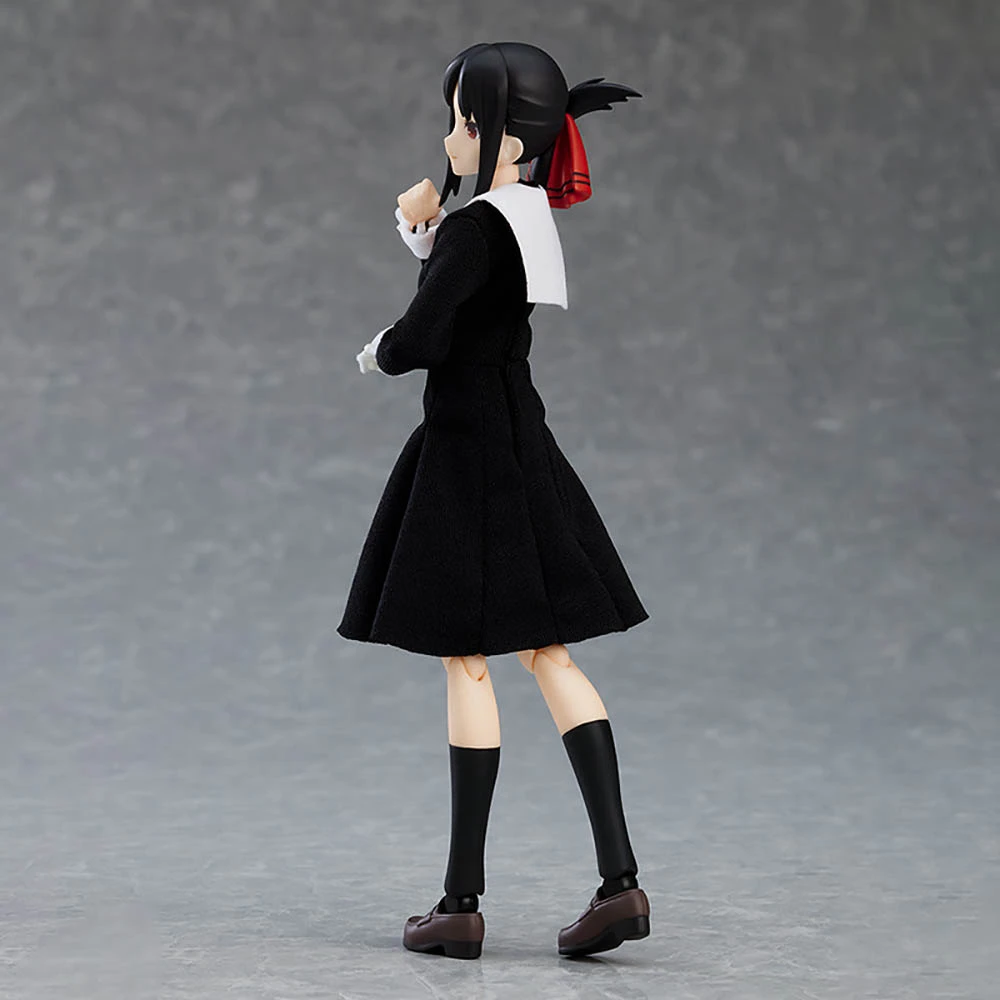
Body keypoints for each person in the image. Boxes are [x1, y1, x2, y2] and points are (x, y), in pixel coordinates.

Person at [338, 41, 650, 959]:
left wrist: (379, 346)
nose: (451, 139)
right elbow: (475, 299)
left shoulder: (477, 227)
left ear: (509, 141)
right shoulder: (524, 216)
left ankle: (461, 902)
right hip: (521, 436)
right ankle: (621, 883)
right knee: (549, 652)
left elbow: (424, 336)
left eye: (465, 123)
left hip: (466, 444)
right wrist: (426, 235)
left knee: (467, 660)